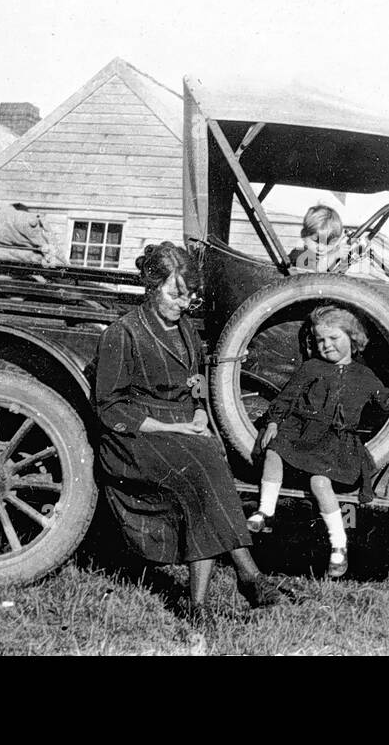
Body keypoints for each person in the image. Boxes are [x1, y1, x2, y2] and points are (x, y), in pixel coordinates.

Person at [94, 241, 289, 622]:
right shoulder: (123, 334)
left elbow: (196, 382)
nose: (183, 304)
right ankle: (247, 574)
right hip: (132, 439)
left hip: (182, 432)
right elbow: (110, 408)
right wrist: (174, 425)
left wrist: (198, 413)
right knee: (204, 467)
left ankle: (199, 604)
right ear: (152, 286)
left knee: (208, 460)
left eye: (189, 297)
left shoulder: (185, 330)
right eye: (175, 294)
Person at [247, 305, 389, 578]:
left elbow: (386, 403)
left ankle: (339, 546)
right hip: (302, 433)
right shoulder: (311, 367)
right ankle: (265, 512)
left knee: (320, 482)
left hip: (336, 443)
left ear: (353, 338)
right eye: (320, 340)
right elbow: (287, 397)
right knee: (274, 452)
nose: (326, 346)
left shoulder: (365, 375)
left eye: (333, 338)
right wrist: (274, 422)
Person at [289, 204, 349, 273]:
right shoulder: (299, 253)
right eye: (316, 242)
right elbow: (318, 270)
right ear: (303, 235)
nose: (321, 248)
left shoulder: (326, 256)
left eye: (328, 244)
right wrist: (335, 254)